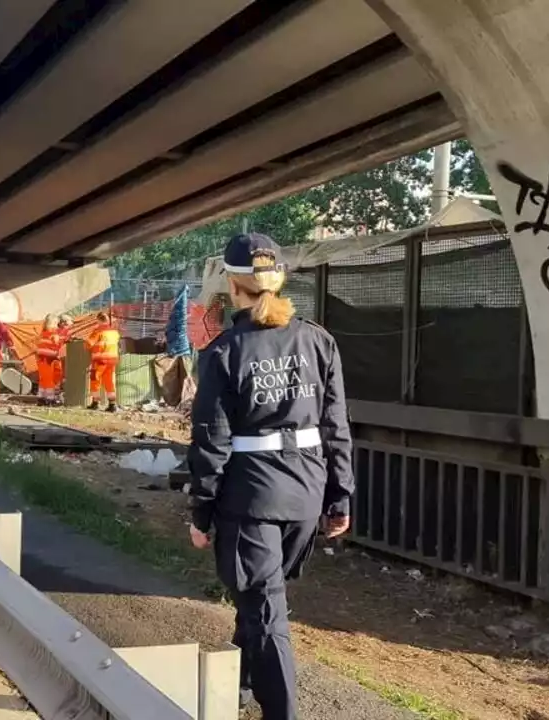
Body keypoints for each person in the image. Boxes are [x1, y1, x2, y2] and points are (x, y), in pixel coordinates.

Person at [186, 232, 354, 720]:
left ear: (233, 286)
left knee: (266, 610)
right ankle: (236, 681)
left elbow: (211, 440)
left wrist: (200, 510)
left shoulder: (223, 352)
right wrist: (339, 498)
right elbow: (336, 426)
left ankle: (282, 713)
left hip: (250, 498)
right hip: (305, 493)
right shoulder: (318, 340)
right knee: (263, 598)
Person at [86, 311, 121, 412]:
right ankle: (112, 404)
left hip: (99, 361)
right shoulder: (115, 333)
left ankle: (95, 403)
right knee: (110, 382)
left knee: (95, 381)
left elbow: (89, 344)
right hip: (112, 361)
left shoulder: (98, 332)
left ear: (98, 321)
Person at [35, 314, 66, 405]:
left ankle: (41, 397)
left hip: (40, 359)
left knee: (43, 378)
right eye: (56, 324)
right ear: (52, 324)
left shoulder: (42, 334)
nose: (57, 326)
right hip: (49, 359)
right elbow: (57, 345)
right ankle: (50, 398)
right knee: (49, 379)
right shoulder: (54, 335)